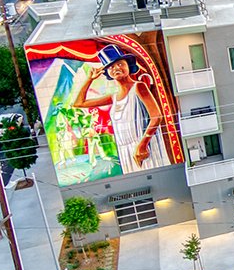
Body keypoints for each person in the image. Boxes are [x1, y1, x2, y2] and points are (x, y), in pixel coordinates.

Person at [72, 44, 168, 175]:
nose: (116, 68)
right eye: (111, 67)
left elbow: (156, 117)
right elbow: (79, 103)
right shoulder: (114, 97)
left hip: (144, 148)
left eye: (120, 64)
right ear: (108, 73)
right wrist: (89, 79)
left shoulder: (139, 87)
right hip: (125, 152)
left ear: (128, 66)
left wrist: (143, 144)